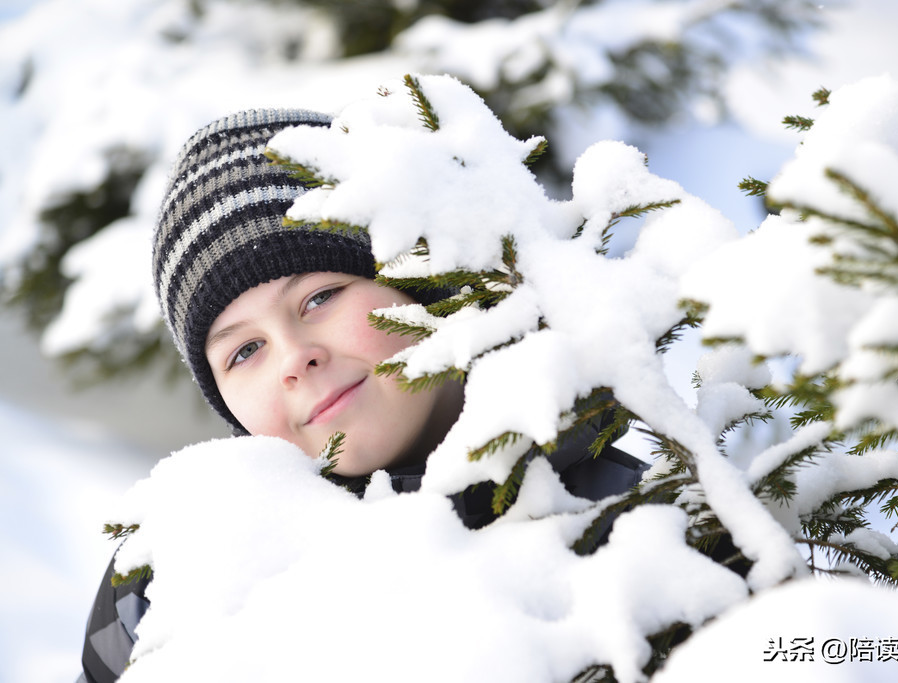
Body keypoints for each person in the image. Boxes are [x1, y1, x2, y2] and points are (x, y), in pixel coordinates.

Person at [77, 108, 648, 683]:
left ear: (416, 280)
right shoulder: (169, 585)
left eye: (320, 297)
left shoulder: (628, 520)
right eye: (245, 351)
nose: (295, 357)